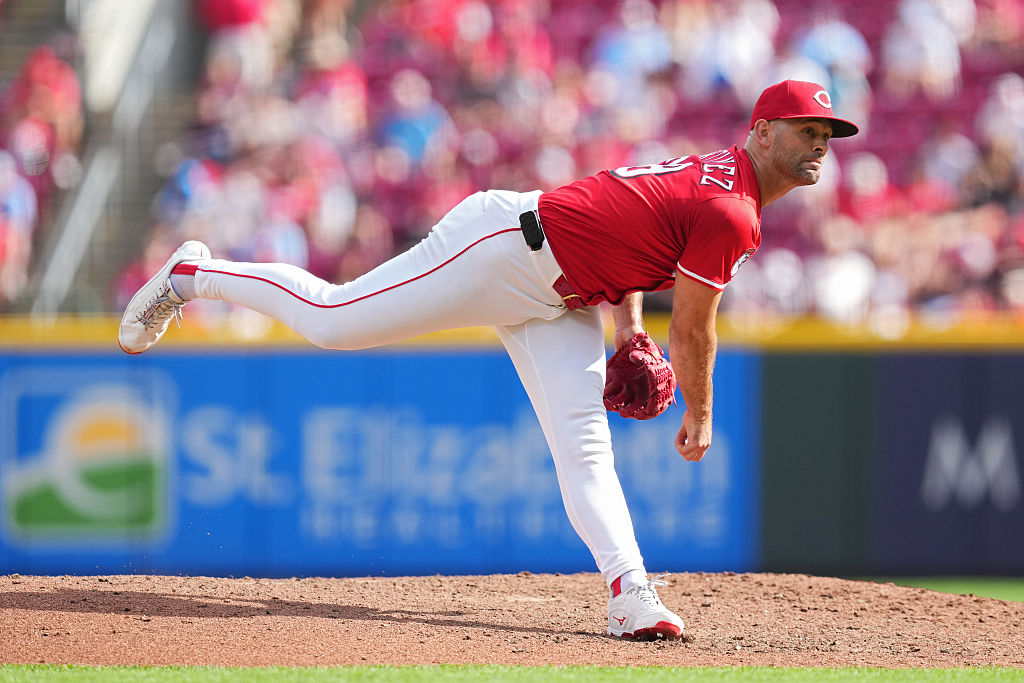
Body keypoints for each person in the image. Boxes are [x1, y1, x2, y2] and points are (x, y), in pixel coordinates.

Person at [119, 80, 858, 640]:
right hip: (506, 245)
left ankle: (630, 590)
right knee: (334, 320)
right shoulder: (732, 208)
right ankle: (193, 275)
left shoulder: (720, 178)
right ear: (762, 132)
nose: (820, 143)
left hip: (564, 293)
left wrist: (630, 330)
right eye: (806, 129)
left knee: (585, 448)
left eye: (828, 133)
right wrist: (699, 411)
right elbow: (695, 329)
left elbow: (635, 235)